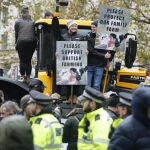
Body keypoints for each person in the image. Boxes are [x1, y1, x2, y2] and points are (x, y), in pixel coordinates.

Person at [58, 19, 85, 102]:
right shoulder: (63, 36)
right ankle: (69, 96)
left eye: (75, 26)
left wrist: (85, 50)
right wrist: (57, 52)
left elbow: (84, 47)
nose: (74, 27)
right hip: (66, 60)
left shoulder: (80, 36)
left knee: (76, 78)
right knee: (68, 77)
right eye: (72, 26)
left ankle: (75, 96)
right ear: (69, 27)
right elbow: (60, 47)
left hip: (77, 60)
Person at [85, 20, 114, 91]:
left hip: (100, 65)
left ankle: (94, 101)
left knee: (96, 85)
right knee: (87, 85)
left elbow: (110, 50)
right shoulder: (88, 36)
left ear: (99, 27)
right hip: (90, 64)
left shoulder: (105, 38)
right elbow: (91, 51)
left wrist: (109, 55)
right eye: (91, 27)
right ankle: (86, 100)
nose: (92, 29)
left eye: (94, 27)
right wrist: (103, 55)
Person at [15, 5, 36, 83]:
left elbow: (16, 34)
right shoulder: (33, 22)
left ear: (21, 13)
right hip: (31, 42)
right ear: (28, 13)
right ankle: (28, 77)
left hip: (21, 42)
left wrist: (16, 43)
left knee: (22, 60)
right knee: (28, 60)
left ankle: (24, 77)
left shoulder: (17, 22)